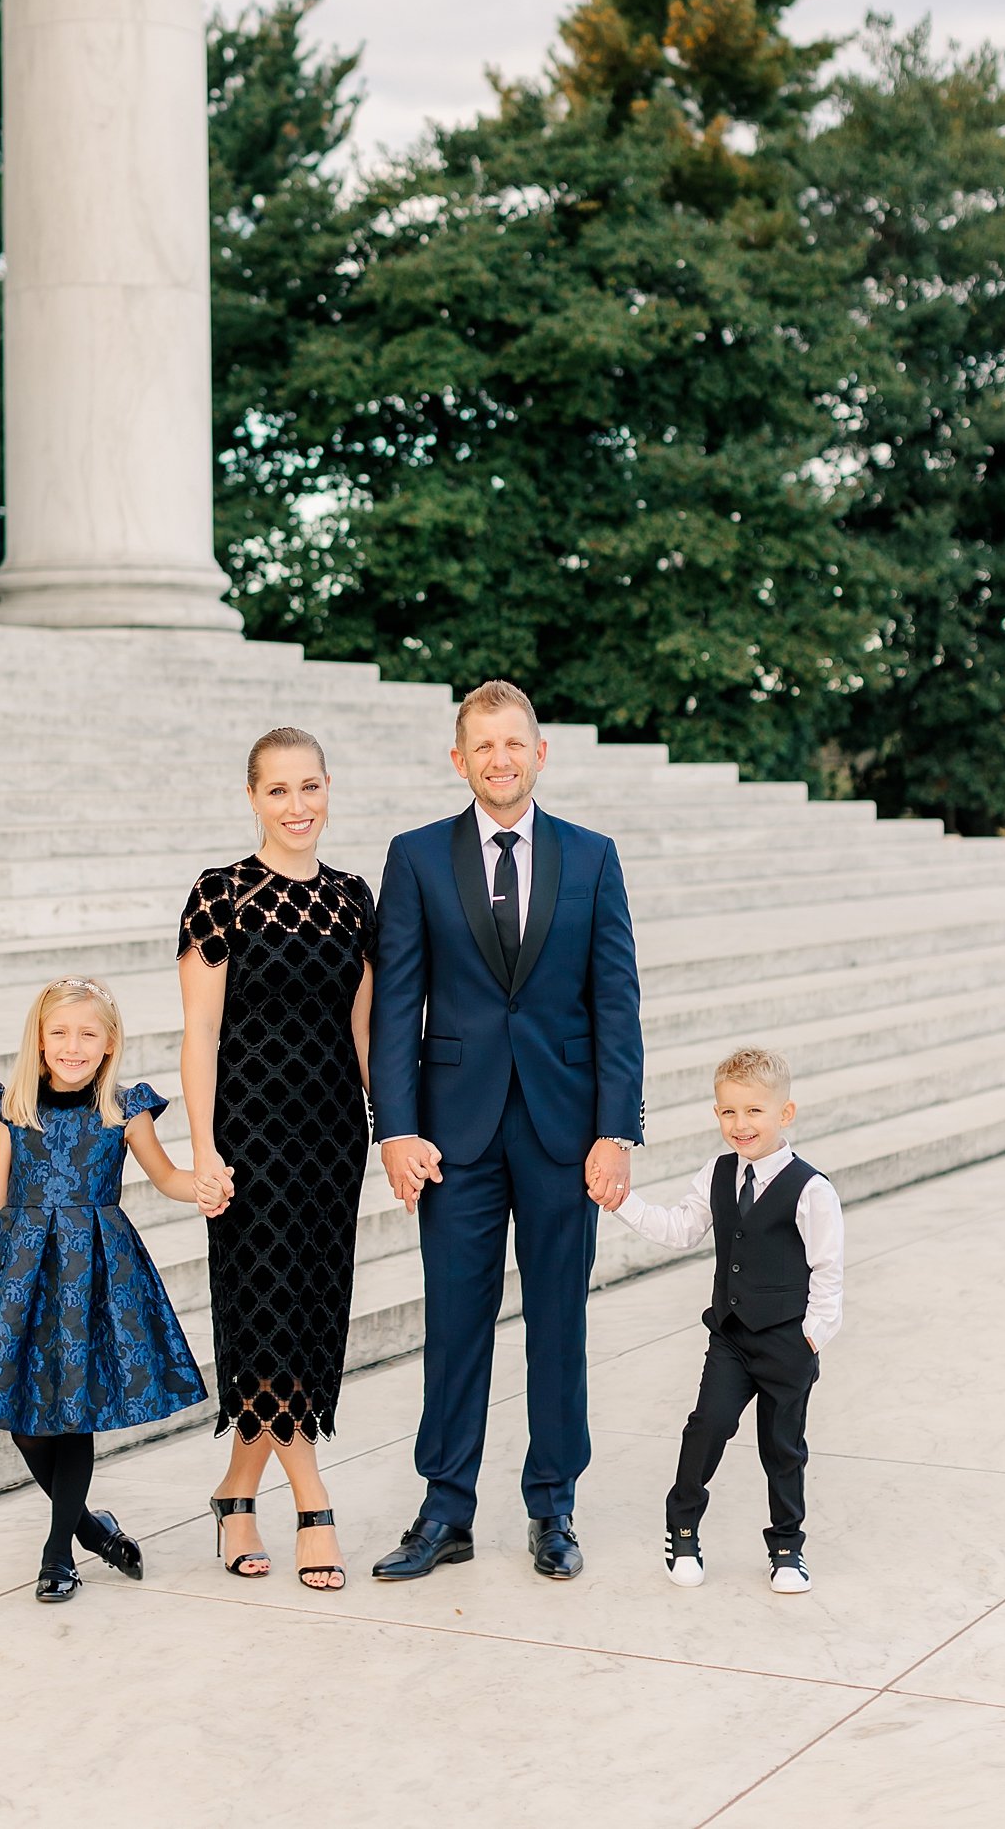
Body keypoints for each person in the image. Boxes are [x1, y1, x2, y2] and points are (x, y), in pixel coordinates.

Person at [368, 679, 644, 1583]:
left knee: (559, 1323)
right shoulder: (414, 858)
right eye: (482, 745)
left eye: (514, 743)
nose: (499, 758)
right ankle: (446, 1509)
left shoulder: (592, 858)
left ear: (540, 752)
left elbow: (617, 1004)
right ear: (459, 759)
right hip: (453, 1137)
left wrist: (617, 1131)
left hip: (566, 1134)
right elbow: (396, 1003)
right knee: (455, 1325)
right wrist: (395, 1131)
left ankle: (553, 1505)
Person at [178, 727, 376, 1591]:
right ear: (252, 799)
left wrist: (393, 1126)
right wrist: (202, 1149)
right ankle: (312, 1503)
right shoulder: (220, 894)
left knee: (310, 1313)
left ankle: (234, 1493)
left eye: (310, 787)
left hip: (334, 1135)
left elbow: (364, 1031)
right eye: (278, 791)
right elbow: (200, 1033)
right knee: (264, 1311)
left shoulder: (354, 898)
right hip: (250, 1137)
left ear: (329, 789)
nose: (297, 806)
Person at [0, 976, 227, 1603]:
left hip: (95, 1273)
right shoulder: (13, 1105)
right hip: (24, 1274)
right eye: (59, 1033)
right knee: (25, 1419)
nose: (72, 1046)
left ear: (109, 1043)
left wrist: (206, 1183)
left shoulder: (123, 1108)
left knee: (73, 1410)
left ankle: (58, 1556)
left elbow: (167, 1178)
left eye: (87, 1034)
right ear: (40, 1038)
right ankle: (91, 1529)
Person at [617, 1045, 844, 1594]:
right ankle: (683, 1526)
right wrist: (620, 1202)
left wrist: (812, 1336)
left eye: (754, 1112)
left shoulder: (811, 1189)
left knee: (783, 1447)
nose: (740, 1125)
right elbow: (679, 1229)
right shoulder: (716, 1175)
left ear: (784, 1114)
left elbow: (828, 1269)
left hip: (789, 1341)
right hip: (733, 1338)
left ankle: (787, 1548)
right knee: (708, 1427)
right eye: (728, 1112)